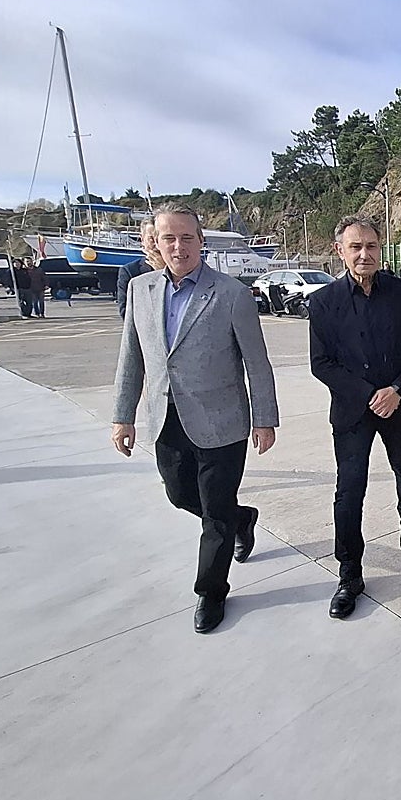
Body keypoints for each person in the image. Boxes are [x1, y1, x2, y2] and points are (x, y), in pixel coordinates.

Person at [111, 204, 279, 634]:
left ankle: (211, 591)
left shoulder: (231, 293)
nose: (178, 246)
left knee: (215, 511)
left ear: (201, 242)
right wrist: (122, 416)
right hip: (166, 418)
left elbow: (256, 363)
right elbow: (132, 356)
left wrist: (265, 418)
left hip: (223, 421)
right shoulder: (140, 290)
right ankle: (243, 519)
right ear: (156, 243)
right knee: (180, 495)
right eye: (169, 238)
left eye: (187, 238)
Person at [309, 215, 401, 620]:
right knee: (349, 492)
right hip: (353, 412)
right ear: (339, 250)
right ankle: (349, 574)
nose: (365, 254)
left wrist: (396, 390)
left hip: (400, 405)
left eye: (372, 246)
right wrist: (368, 396)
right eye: (356, 247)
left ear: (381, 249)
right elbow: (321, 363)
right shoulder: (324, 302)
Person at [116, 221, 160, 319]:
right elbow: (126, 313)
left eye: (160, 238)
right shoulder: (130, 271)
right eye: (151, 239)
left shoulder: (181, 269)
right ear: (142, 239)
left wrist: (164, 271)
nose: (157, 244)